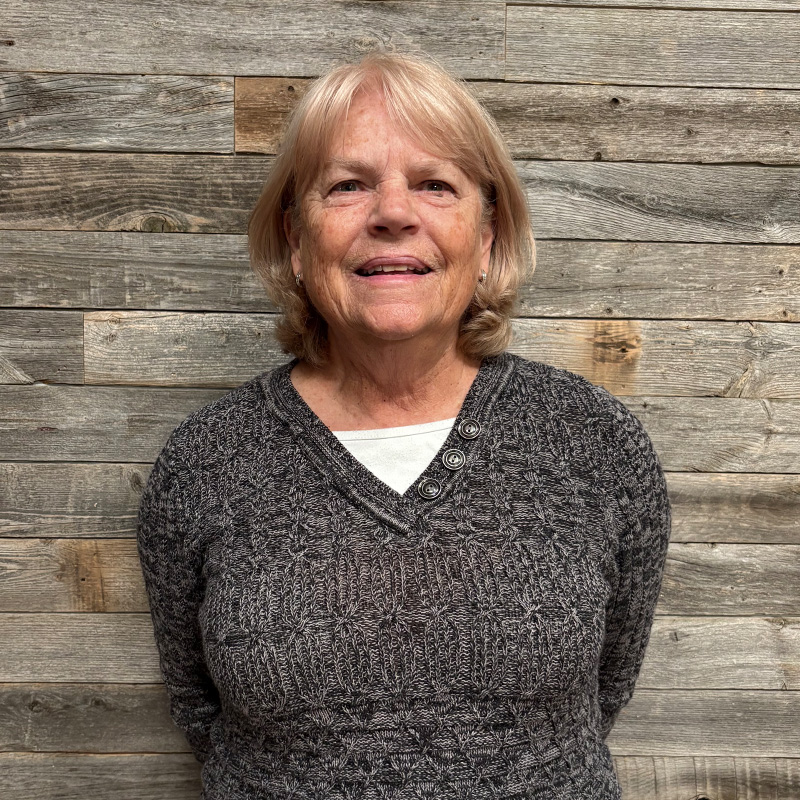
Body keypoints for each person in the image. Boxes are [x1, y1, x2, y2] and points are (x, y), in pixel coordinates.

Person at [137, 51, 671, 800]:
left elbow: (604, 689)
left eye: (435, 184)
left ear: (487, 237)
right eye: (348, 185)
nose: (393, 213)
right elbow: (201, 709)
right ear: (297, 240)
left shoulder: (596, 442)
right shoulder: (207, 461)